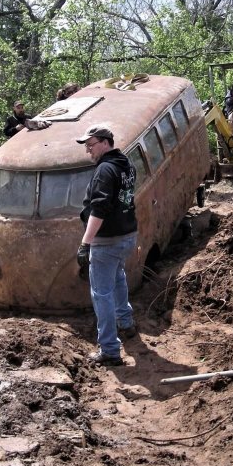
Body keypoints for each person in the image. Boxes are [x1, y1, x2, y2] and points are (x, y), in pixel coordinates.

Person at [75, 124, 138, 367]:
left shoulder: (104, 170)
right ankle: (126, 322)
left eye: (91, 145)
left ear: (104, 143)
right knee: (118, 276)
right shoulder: (127, 164)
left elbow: (99, 209)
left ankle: (110, 349)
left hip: (107, 239)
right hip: (128, 235)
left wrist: (85, 243)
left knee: (101, 293)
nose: (88, 151)